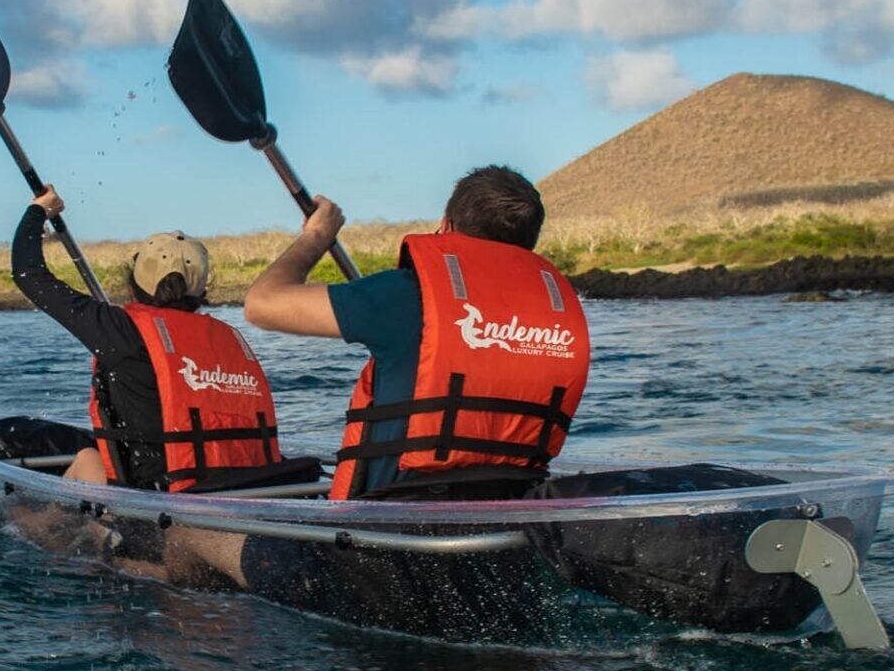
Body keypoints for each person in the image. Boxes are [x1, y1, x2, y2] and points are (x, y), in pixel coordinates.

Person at [169, 165, 591, 604]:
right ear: (529, 244)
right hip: (502, 560)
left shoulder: (406, 294)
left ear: (446, 226)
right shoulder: (556, 313)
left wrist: (318, 235)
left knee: (186, 529)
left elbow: (262, 304)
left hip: (379, 563)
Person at [10, 186, 319, 494]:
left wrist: (39, 210)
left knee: (88, 458)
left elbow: (28, 273)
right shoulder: (228, 338)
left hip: (159, 498)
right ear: (201, 288)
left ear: (134, 281)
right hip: (241, 488)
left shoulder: (117, 330)